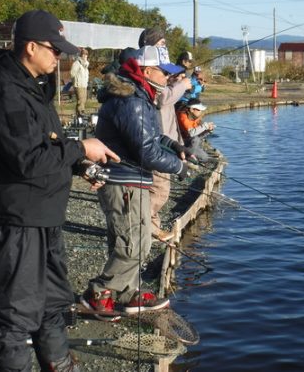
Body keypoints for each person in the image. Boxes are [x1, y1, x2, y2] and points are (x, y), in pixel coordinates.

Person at [0, 9, 119, 372]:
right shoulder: (6, 94)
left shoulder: (35, 90)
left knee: (54, 303)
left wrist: (80, 164)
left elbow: (49, 144)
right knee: (16, 314)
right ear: (30, 47)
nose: (60, 57)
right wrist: (80, 149)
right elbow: (28, 160)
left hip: (45, 216)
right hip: (20, 219)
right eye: (54, 50)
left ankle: (59, 364)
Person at [81, 45, 188, 316]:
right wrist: (179, 168)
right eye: (164, 72)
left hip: (133, 181)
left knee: (137, 242)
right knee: (132, 246)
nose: (168, 78)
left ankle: (127, 293)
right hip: (122, 181)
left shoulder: (141, 96)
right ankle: (98, 292)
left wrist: (175, 146)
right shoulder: (131, 100)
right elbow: (146, 151)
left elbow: (150, 136)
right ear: (147, 70)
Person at [150, 65, 193, 241]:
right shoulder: (159, 92)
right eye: (167, 74)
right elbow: (163, 100)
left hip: (168, 146)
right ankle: (148, 229)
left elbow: (173, 123)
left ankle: (151, 227)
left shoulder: (168, 92)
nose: (170, 77)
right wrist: (182, 85)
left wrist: (181, 147)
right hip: (159, 148)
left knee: (159, 189)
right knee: (159, 190)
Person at [177, 98, 215, 162]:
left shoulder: (195, 117)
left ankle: (189, 154)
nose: (201, 111)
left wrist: (208, 130)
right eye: (199, 110)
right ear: (192, 110)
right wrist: (205, 126)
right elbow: (191, 133)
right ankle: (188, 157)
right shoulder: (182, 116)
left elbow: (199, 134)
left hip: (189, 142)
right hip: (180, 141)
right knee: (195, 139)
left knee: (204, 158)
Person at [70, 47, 89, 116]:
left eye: (86, 54)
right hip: (78, 84)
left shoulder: (86, 64)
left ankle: (79, 114)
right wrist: (75, 81)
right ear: (81, 55)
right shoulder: (77, 63)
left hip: (84, 84)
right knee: (80, 100)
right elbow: (72, 73)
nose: (85, 56)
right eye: (83, 54)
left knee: (84, 100)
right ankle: (81, 113)